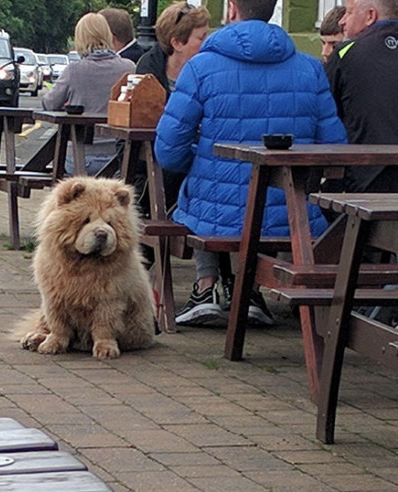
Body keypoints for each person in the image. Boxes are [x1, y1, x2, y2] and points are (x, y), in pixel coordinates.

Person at [154, 0, 347, 327]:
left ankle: (207, 285)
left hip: (214, 207)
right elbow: (334, 146)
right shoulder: (310, 68)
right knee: (268, 208)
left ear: (231, 8)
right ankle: (253, 291)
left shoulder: (201, 68)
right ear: (271, 9)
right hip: (288, 210)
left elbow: (168, 148)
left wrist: (202, 163)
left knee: (198, 198)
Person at [135, 1, 211, 213]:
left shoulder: (208, 71)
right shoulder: (147, 70)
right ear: (177, 43)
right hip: (155, 161)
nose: (208, 42)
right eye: (201, 37)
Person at [42, 13, 135, 175]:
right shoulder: (129, 69)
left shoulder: (74, 71)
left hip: (80, 158)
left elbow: (49, 104)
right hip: (119, 158)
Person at [325, 0, 398, 192]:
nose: (342, 21)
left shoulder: (346, 53)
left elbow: (325, 114)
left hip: (367, 179)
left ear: (370, 16)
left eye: (349, 12)